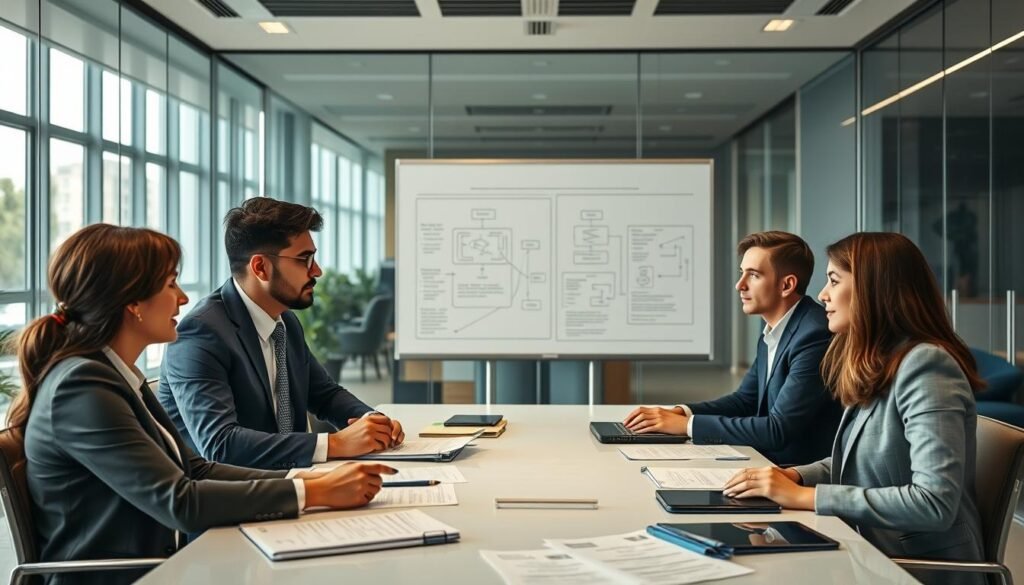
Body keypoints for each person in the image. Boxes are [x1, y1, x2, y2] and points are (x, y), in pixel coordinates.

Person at [13, 224, 393, 585]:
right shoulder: (82, 387)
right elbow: (181, 500)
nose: (182, 297)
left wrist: (307, 480)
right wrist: (315, 492)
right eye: (170, 283)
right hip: (131, 574)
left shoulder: (114, 375)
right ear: (133, 303)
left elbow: (193, 467)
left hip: (163, 564)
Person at [722, 232, 985, 585]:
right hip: (866, 551)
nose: (822, 295)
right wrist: (797, 476)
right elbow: (859, 460)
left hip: (914, 568)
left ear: (873, 290)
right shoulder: (880, 361)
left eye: (834, 281)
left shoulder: (926, 366)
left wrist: (807, 496)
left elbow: (934, 503)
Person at [159, 197, 403, 470]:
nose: (317, 270)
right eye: (304, 259)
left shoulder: (284, 320)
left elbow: (325, 394)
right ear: (260, 267)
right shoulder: (201, 332)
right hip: (232, 498)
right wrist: (334, 444)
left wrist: (373, 422)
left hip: (293, 481)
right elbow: (220, 444)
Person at [623, 231, 841, 466]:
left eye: (754, 275)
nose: (740, 285)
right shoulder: (776, 328)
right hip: (765, 462)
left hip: (796, 474)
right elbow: (744, 401)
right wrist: (682, 412)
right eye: (741, 273)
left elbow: (778, 429)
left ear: (787, 285)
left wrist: (686, 426)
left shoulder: (814, 334)